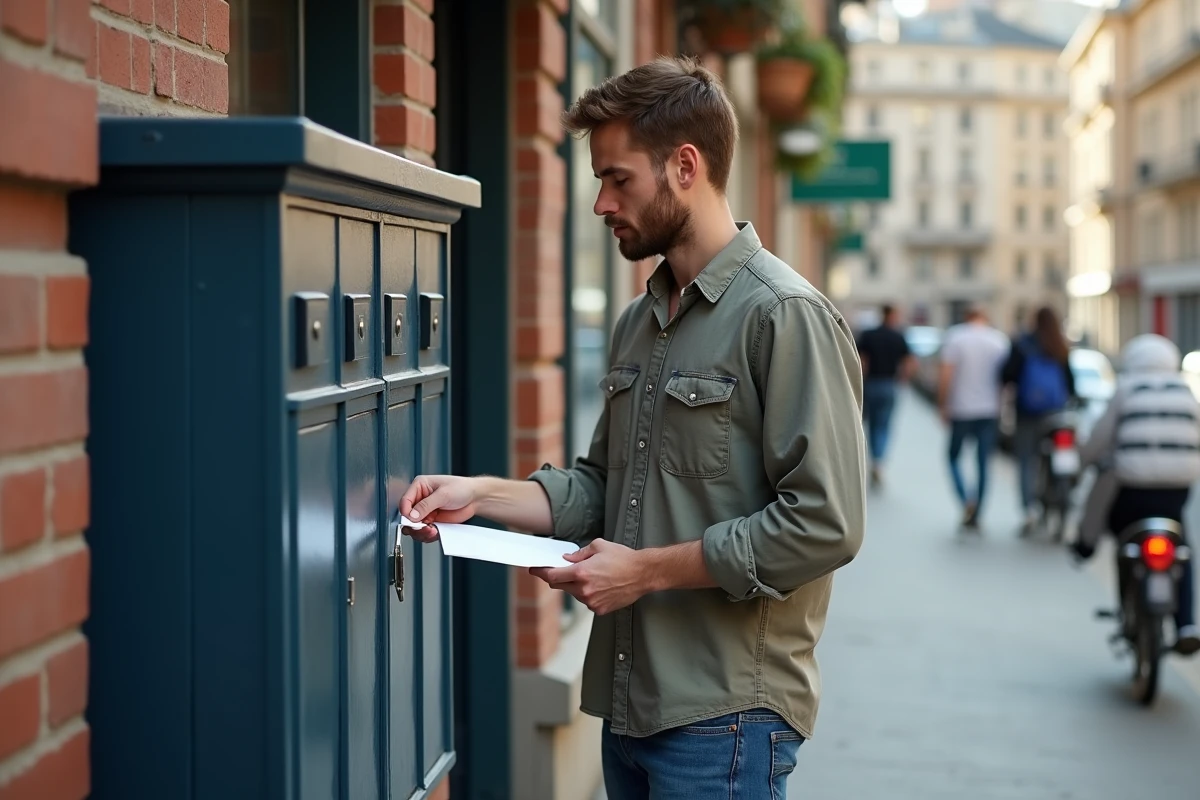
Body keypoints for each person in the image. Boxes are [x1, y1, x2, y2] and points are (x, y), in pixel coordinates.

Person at [398, 56, 866, 798]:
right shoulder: (638, 322)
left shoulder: (785, 315)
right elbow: (602, 489)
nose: (601, 204)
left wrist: (643, 572)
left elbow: (825, 525)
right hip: (628, 709)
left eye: (618, 179)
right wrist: (481, 496)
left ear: (685, 166)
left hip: (726, 718)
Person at [1074, 334, 1200, 655]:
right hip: (1176, 492)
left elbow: (1100, 438)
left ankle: (1127, 604)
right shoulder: (1185, 391)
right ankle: (1186, 623)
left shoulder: (1126, 389)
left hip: (1132, 491)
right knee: (1181, 547)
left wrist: (1083, 462)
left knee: (1125, 540)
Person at [1001, 306, 1076, 532]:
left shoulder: (1024, 343)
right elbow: (1070, 383)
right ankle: (1063, 496)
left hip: (1027, 412)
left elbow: (1007, 375)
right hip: (1056, 414)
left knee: (1026, 461)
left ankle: (1029, 512)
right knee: (1064, 454)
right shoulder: (1060, 344)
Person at [937, 306, 1010, 529]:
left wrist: (942, 404)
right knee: (983, 463)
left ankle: (966, 499)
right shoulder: (999, 341)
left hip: (961, 408)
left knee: (953, 456)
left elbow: (946, 374)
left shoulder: (956, 337)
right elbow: (1004, 379)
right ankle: (978, 509)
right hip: (989, 409)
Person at [856, 303, 915, 487]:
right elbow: (910, 362)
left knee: (872, 424)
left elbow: (859, 359)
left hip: (871, 384)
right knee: (885, 424)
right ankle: (879, 461)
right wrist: (903, 379)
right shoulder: (898, 336)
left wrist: (861, 379)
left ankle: (874, 459)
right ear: (893, 315)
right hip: (890, 384)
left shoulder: (869, 335)